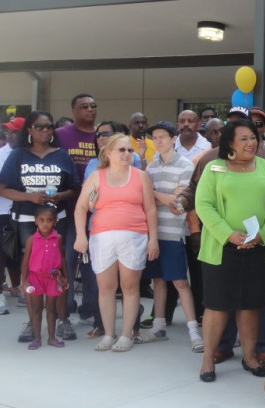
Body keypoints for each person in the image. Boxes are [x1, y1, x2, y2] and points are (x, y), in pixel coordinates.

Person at [195, 119, 265, 382]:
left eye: (253, 137)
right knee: (217, 306)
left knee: (250, 305)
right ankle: (208, 360)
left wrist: (263, 235)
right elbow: (203, 205)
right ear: (229, 142)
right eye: (243, 138)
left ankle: (250, 357)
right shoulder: (214, 167)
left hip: (257, 247)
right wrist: (228, 234)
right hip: (221, 249)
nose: (250, 143)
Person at [0, 112, 80, 344]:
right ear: (30, 130)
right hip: (26, 220)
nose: (45, 130)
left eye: (49, 126)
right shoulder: (18, 155)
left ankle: (62, 319)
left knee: (58, 269)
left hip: (57, 219)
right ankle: (32, 321)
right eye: (40, 126)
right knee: (34, 271)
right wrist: (29, 197)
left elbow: (74, 188)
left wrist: (60, 196)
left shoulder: (62, 156)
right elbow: (2, 188)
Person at [73, 133, 159, 352]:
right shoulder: (96, 176)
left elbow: (150, 209)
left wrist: (153, 240)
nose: (127, 154)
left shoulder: (141, 176)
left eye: (129, 150)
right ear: (108, 153)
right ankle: (109, 333)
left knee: (130, 287)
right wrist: (81, 236)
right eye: (121, 150)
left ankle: (127, 334)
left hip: (134, 236)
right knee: (106, 288)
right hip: (102, 236)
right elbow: (81, 207)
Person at [144, 121, 202, 352]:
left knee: (179, 281)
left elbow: (178, 203)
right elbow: (163, 199)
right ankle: (159, 325)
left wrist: (151, 193)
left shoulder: (186, 165)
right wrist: (163, 197)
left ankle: (193, 330)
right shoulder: (150, 167)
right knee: (158, 280)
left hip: (174, 232)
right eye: (155, 138)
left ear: (173, 138)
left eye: (162, 137)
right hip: (153, 232)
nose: (158, 141)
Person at [55, 93, 98, 322]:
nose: (89, 110)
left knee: (92, 262)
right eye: (83, 106)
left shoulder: (102, 135)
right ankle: (66, 305)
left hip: (99, 212)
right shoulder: (61, 135)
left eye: (93, 106)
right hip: (69, 209)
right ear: (73, 110)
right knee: (68, 259)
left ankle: (90, 306)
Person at [0, 117, 25, 315]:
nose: (10, 135)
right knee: (0, 252)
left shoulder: (30, 153)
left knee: (22, 252)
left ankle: (19, 287)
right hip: (3, 211)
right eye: (8, 131)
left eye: (15, 131)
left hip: (26, 210)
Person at [20, 205, 69, 350]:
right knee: (36, 309)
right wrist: (24, 280)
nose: (45, 223)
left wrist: (65, 277)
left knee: (51, 309)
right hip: (36, 278)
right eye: (41, 220)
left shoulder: (58, 238)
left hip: (52, 278)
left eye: (49, 220)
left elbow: (62, 258)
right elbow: (26, 261)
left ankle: (52, 338)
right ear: (35, 221)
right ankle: (36, 338)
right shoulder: (31, 240)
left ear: (55, 221)